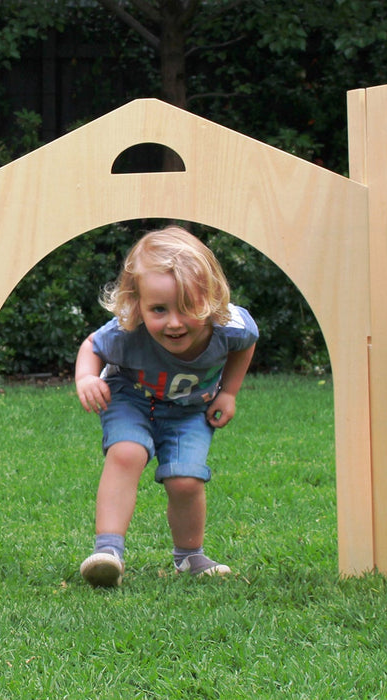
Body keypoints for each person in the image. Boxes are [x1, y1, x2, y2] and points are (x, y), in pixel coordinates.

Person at [74, 226, 257, 587]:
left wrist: (229, 392)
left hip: (190, 410)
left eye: (188, 308)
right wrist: (86, 378)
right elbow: (93, 345)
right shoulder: (128, 331)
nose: (174, 322)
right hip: (131, 398)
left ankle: (189, 556)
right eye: (158, 309)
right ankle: (108, 551)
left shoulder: (230, 328)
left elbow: (246, 346)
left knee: (186, 481)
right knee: (127, 453)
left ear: (211, 300)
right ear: (136, 304)